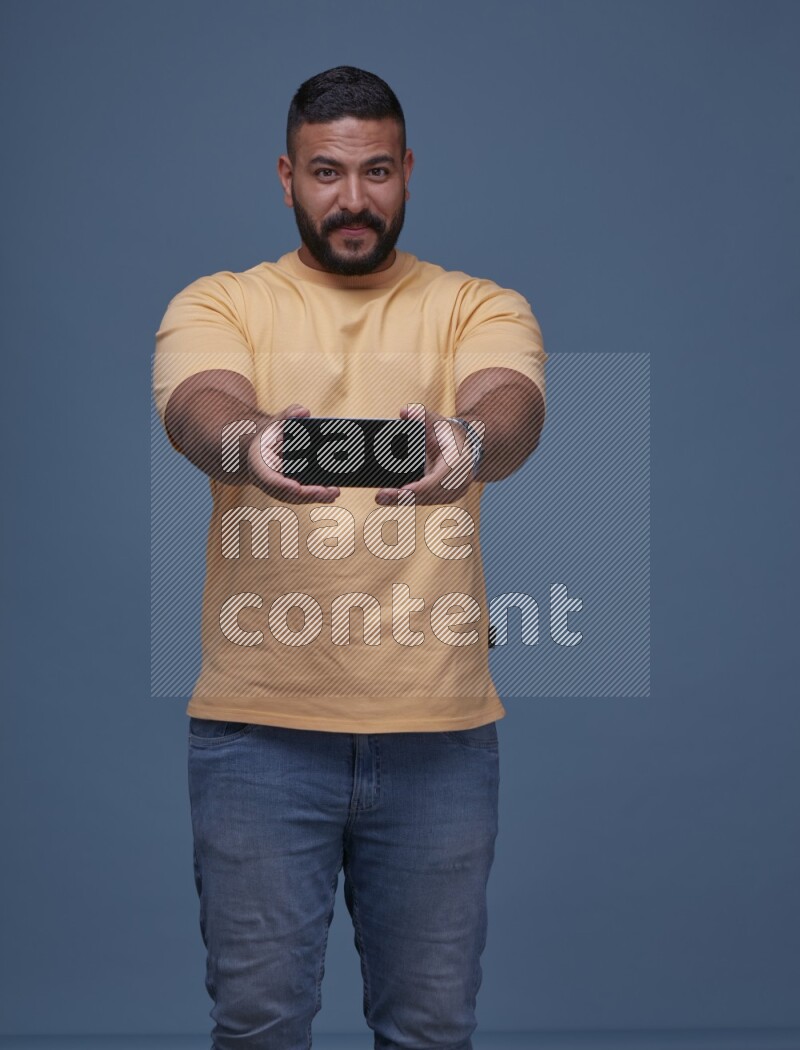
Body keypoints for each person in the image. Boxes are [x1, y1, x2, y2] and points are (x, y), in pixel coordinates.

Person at [153, 66, 546, 1050]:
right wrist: (246, 441)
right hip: (256, 736)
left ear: (407, 171)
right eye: (327, 173)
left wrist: (470, 444)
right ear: (285, 176)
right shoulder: (222, 302)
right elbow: (197, 404)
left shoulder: (474, 305)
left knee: (428, 1030)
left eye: (375, 171)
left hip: (440, 741)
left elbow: (514, 402)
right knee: (257, 1026)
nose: (354, 199)